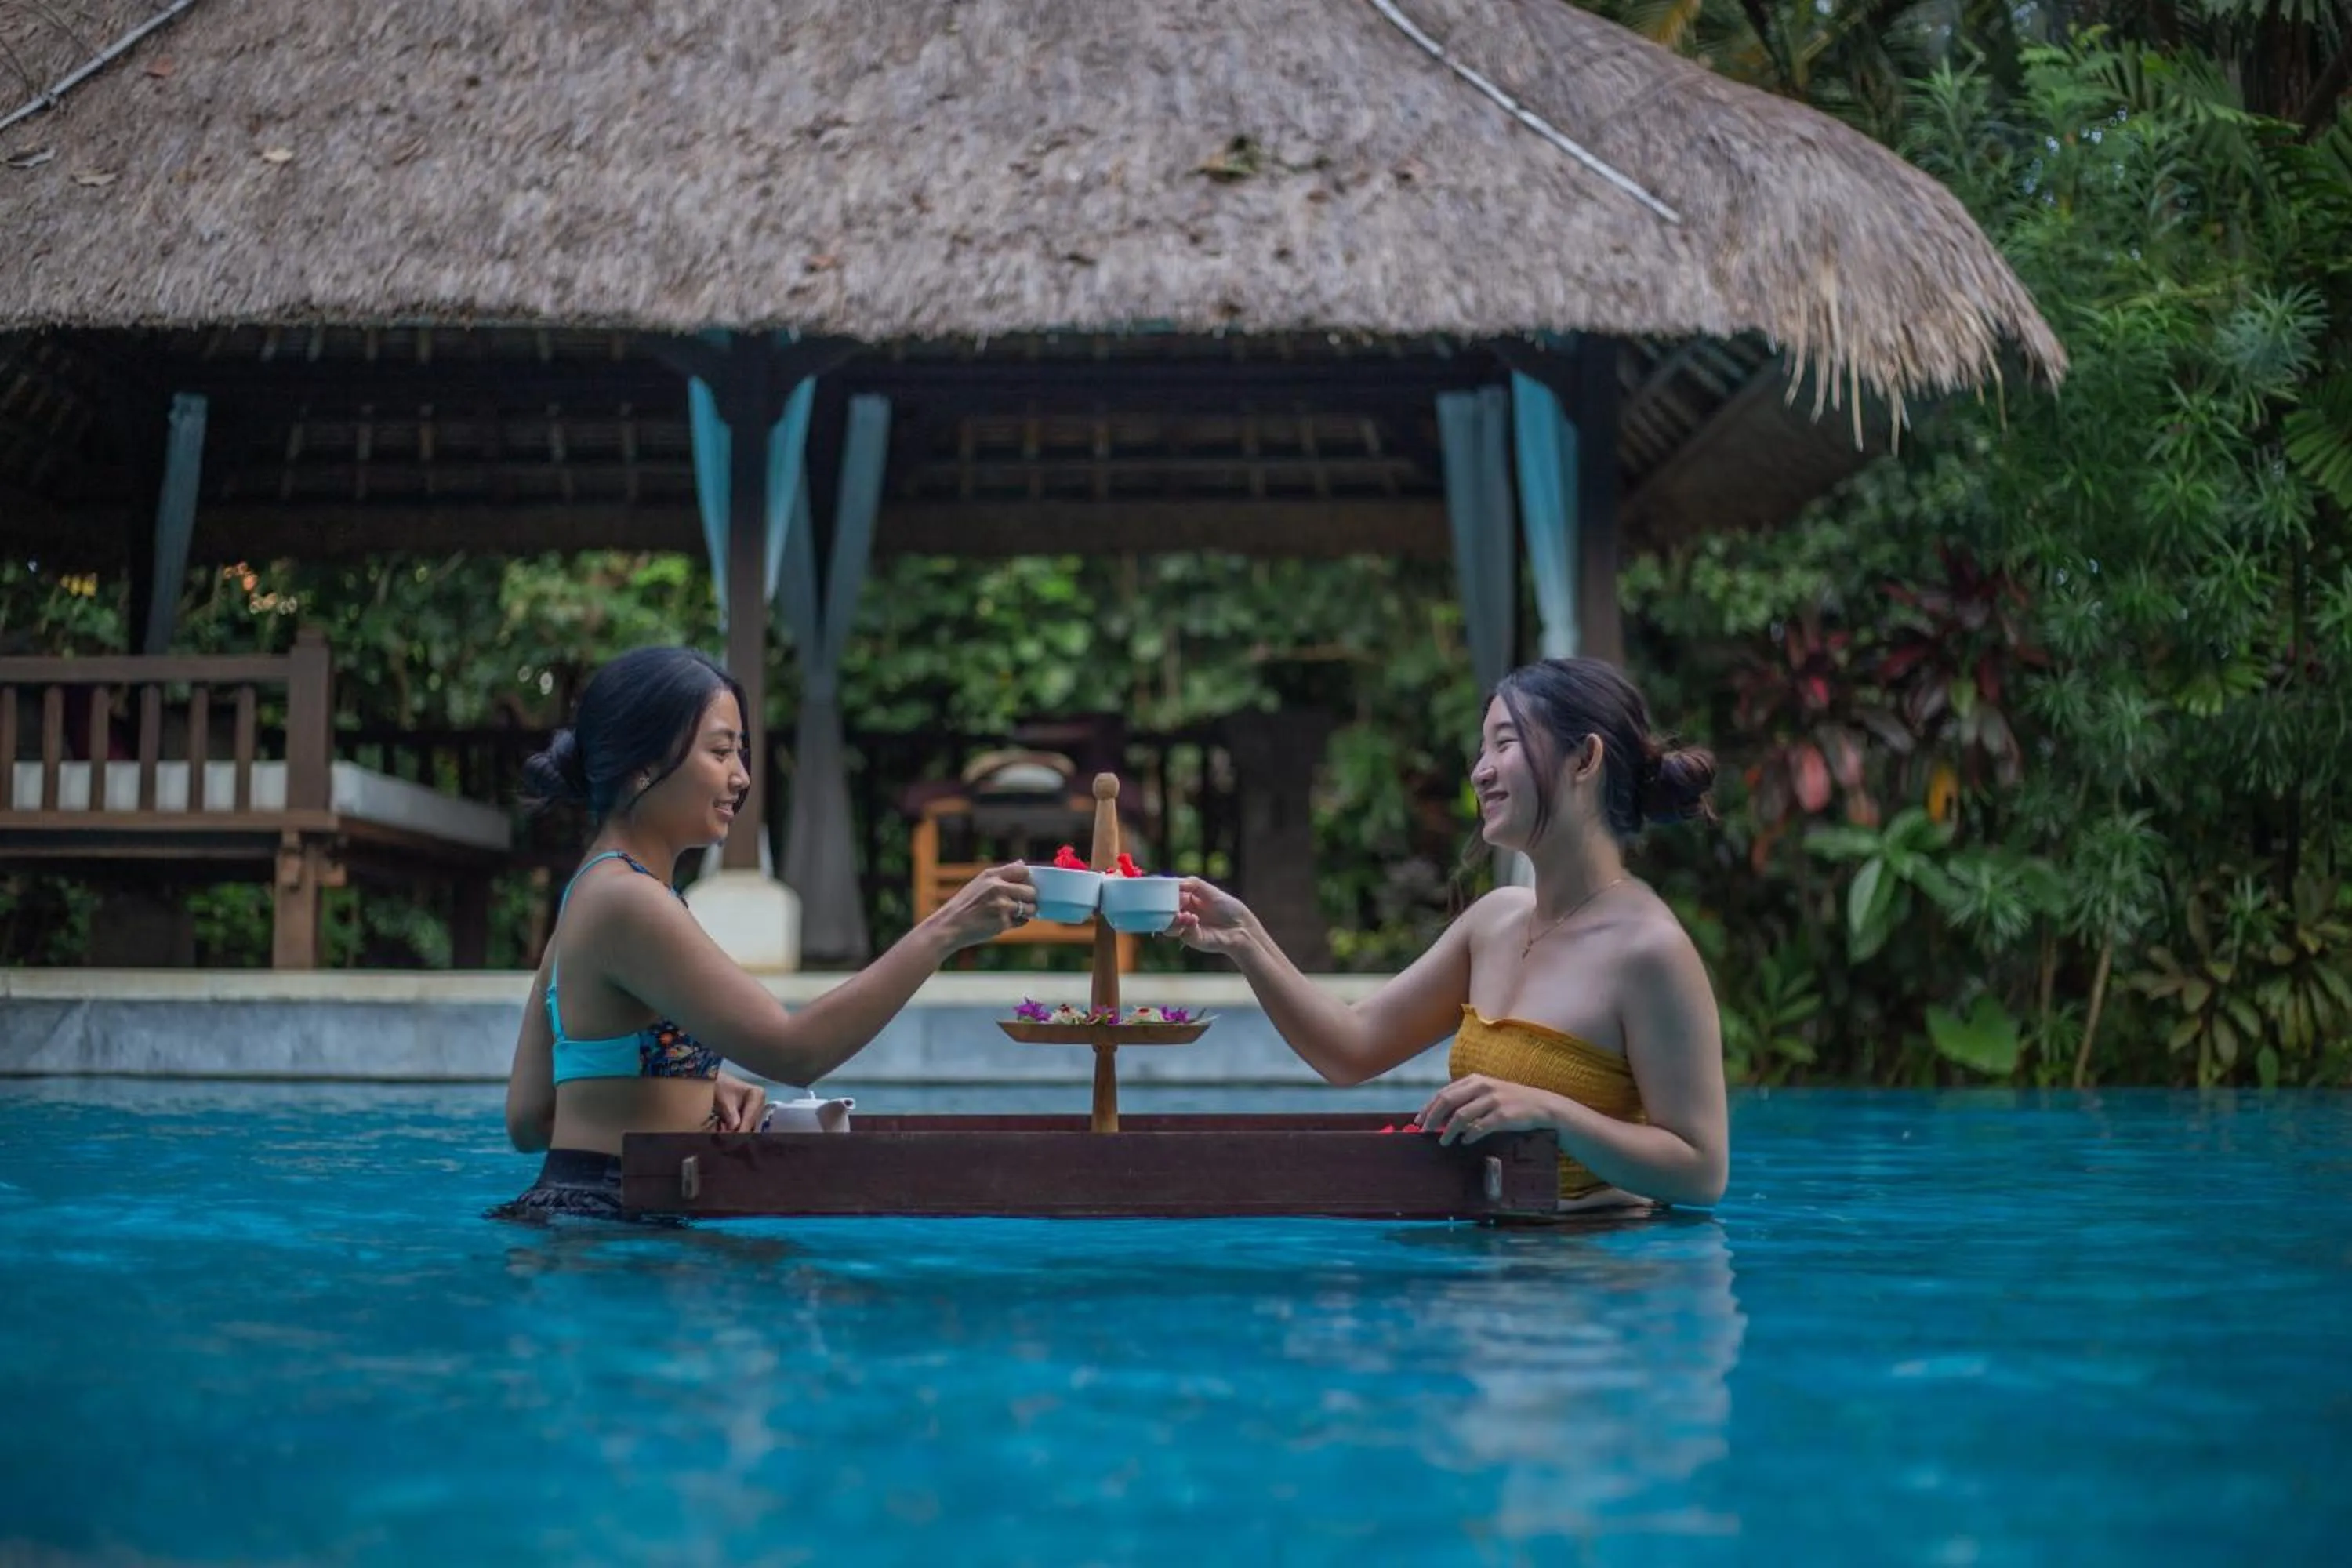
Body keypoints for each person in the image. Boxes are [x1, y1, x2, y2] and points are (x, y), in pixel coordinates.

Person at [491, 647, 1036, 1221]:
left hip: (588, 1218)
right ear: (643, 765)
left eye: (741, 753)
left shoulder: (591, 892)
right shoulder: (630, 900)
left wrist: (691, 1075)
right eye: (721, 751)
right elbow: (796, 1051)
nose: (741, 777)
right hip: (614, 1221)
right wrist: (946, 930)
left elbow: (530, 1119)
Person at [1173, 657, 1728, 1211]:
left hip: (1601, 1273)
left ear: (1584, 759)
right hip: (1496, 1268)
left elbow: (1701, 1173)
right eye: (1481, 750)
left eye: (1504, 744)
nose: (1480, 771)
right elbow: (1351, 1048)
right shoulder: (1496, 923)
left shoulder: (1648, 950)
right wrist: (1244, 938)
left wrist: (1550, 1113)